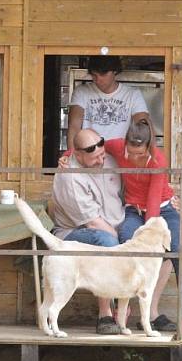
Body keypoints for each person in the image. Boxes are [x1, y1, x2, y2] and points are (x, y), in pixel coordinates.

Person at [105, 118, 182, 335]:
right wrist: (66, 157)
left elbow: (153, 201)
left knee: (179, 251)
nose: (135, 158)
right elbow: (94, 143)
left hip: (161, 210)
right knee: (125, 244)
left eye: (140, 154)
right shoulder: (118, 146)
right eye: (130, 153)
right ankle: (123, 307)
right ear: (125, 144)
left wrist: (151, 233)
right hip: (133, 210)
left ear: (149, 147)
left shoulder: (158, 160)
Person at [51, 128, 129, 335]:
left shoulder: (110, 161)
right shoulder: (70, 176)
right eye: (95, 158)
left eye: (102, 155)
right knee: (106, 243)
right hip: (74, 231)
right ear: (77, 155)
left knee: (146, 239)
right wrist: (122, 246)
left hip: (116, 223)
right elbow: (93, 224)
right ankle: (105, 313)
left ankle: (135, 312)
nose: (101, 161)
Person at [67, 55, 150, 149]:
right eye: (94, 75)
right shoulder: (81, 92)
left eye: (103, 74)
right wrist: (71, 157)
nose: (98, 80)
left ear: (115, 71)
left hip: (120, 157)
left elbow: (143, 126)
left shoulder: (133, 94)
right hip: (89, 155)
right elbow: (74, 127)